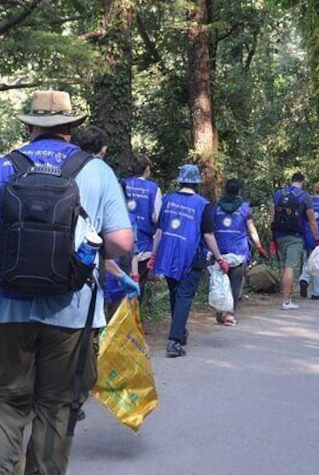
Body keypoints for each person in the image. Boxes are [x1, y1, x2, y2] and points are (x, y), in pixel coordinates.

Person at [0, 90, 134, 474]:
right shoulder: (97, 171)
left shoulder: (0, 168)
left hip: (7, 308)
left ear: (30, 125)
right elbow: (121, 242)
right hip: (73, 313)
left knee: (4, 400)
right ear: (71, 125)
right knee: (57, 405)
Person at [149, 164, 228, 357]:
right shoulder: (202, 205)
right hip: (190, 255)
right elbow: (208, 235)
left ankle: (180, 332)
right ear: (196, 183)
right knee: (184, 296)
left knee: (176, 293)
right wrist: (219, 258)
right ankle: (174, 341)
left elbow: (159, 230)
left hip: (168, 254)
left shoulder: (168, 200)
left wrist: (153, 255)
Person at [74, 125, 140, 320]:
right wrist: (123, 275)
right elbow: (121, 241)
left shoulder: (64, 168)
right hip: (86, 276)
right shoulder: (104, 173)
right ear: (103, 149)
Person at [212, 178, 266, 324]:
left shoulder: (216, 208)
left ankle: (220, 309)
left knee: (220, 282)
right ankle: (229, 314)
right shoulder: (244, 208)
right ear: (238, 191)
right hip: (238, 252)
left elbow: (210, 229)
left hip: (219, 251)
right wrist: (259, 246)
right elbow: (251, 230)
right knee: (235, 284)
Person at [270, 172, 319, 310]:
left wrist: (272, 236)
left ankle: (285, 295)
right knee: (290, 267)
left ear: (291, 180)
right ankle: (286, 301)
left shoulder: (279, 193)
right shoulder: (305, 197)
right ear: (302, 182)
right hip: (295, 236)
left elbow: (273, 215)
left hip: (279, 234)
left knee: (283, 266)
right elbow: (312, 221)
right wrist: (317, 239)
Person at [123, 154, 162, 297]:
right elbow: (157, 216)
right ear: (146, 169)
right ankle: (135, 314)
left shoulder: (123, 183)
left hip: (122, 241)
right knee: (140, 284)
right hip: (144, 245)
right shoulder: (154, 189)